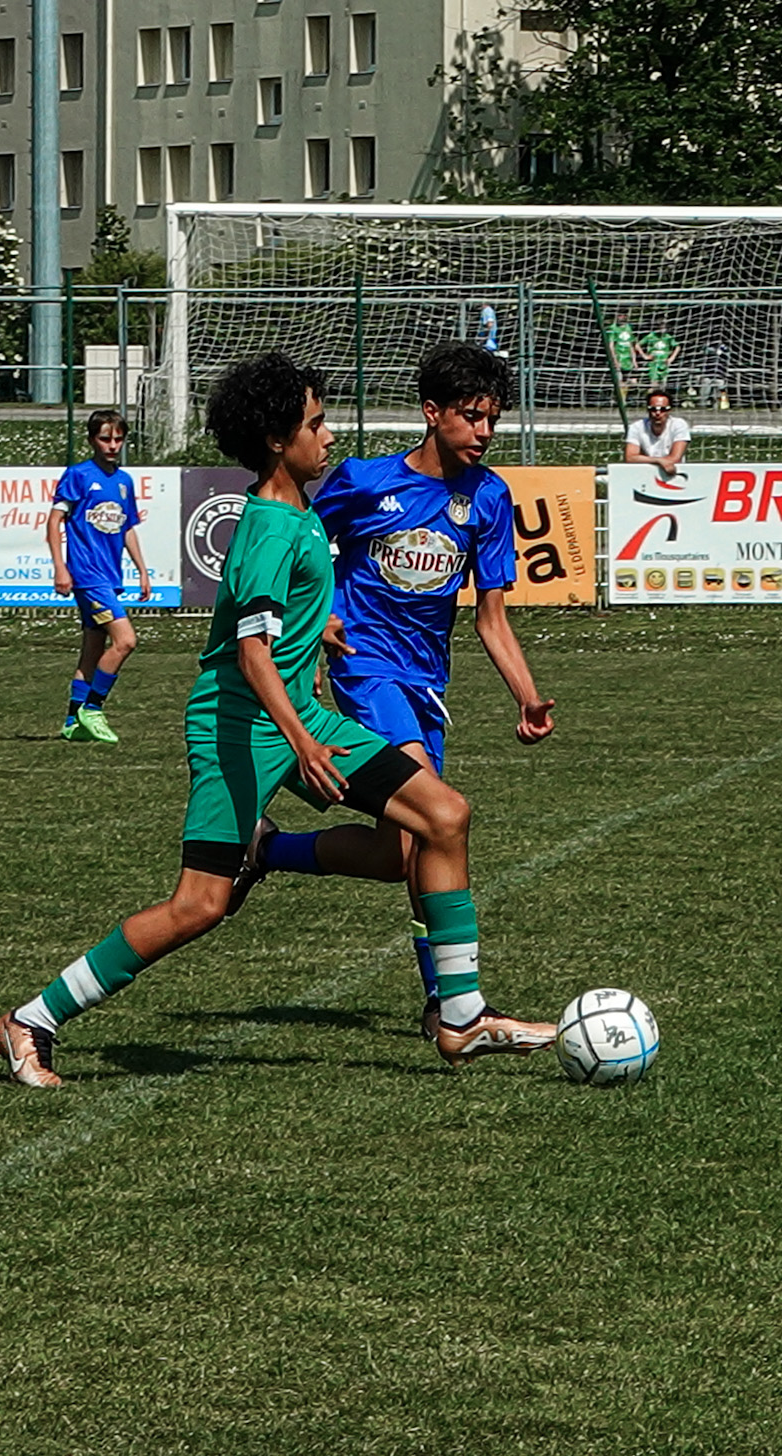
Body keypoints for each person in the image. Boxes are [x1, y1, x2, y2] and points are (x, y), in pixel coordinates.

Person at [0, 353, 554, 1088]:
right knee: (199, 905)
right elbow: (252, 654)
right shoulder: (267, 525)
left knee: (443, 816)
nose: (328, 438)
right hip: (241, 727)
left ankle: (459, 1018)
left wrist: (317, 628)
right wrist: (301, 739)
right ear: (278, 440)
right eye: (315, 425)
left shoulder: (300, 517)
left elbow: (278, 623)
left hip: (302, 713)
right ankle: (30, 1020)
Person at [259, 341, 556, 1039]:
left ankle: (266, 852)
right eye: (472, 417)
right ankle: (456, 1008)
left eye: (492, 420)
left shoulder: (489, 497)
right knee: (440, 814)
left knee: (401, 854)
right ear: (432, 413)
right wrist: (323, 611)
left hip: (427, 685)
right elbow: (302, 536)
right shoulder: (364, 482)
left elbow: (492, 617)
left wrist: (526, 696)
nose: (484, 433)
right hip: (369, 672)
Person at [48, 409, 153, 743]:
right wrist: (60, 568)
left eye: (118, 439)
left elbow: (127, 528)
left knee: (92, 650)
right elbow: (54, 522)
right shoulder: (78, 475)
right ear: (92, 439)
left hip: (108, 577)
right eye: (105, 438)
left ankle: (71, 721)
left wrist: (142, 571)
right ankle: (93, 708)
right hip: (87, 575)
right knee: (125, 641)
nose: (112, 445)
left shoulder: (123, 481)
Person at [624, 388, 691, 479]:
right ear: (648, 410)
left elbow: (675, 458)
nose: (658, 413)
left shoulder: (679, 425)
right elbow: (630, 457)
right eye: (653, 409)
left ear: (669, 410)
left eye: (663, 409)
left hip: (674, 473)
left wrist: (645, 459)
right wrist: (659, 461)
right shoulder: (636, 427)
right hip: (645, 474)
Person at [603, 312, 637, 402]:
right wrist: (614, 360)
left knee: (633, 382)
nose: (620, 317)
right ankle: (621, 401)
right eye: (618, 315)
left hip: (628, 359)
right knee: (620, 381)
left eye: (622, 315)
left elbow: (631, 345)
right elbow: (611, 346)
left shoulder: (628, 328)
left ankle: (619, 397)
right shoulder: (613, 328)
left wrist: (634, 360)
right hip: (619, 358)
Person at [638, 327, 680, 394]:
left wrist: (672, 358)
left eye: (664, 326)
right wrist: (644, 356)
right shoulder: (651, 336)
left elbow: (677, 347)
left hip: (664, 364)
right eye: (660, 326)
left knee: (663, 385)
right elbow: (637, 345)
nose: (662, 328)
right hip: (653, 363)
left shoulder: (668, 337)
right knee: (654, 384)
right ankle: (650, 399)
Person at [700, 338, 732, 410]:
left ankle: (724, 405)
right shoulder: (707, 347)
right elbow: (703, 353)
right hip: (708, 373)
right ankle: (704, 404)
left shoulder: (723, 348)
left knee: (721, 389)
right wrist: (713, 351)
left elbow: (728, 356)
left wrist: (722, 352)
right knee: (706, 390)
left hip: (719, 374)